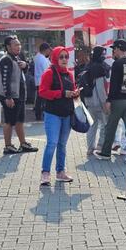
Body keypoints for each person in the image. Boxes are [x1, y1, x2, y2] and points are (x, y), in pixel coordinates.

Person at [37, 46, 78, 185]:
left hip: (67, 113)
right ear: (55, 58)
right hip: (52, 114)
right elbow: (42, 92)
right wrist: (61, 93)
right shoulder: (49, 73)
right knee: (52, 143)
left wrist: (75, 93)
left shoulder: (69, 74)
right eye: (61, 57)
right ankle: (45, 173)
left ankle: (60, 172)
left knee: (62, 144)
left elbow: (72, 89)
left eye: (66, 57)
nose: (64, 59)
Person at [94, 39, 126, 161]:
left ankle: (105, 153)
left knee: (111, 126)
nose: (113, 51)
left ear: (119, 49)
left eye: (114, 49)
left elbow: (113, 84)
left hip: (118, 99)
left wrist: (109, 100)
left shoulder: (117, 64)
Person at [0, 36, 39, 155]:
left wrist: (25, 66)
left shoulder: (16, 58)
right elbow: (5, 80)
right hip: (11, 96)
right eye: (15, 44)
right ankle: (8, 146)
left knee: (20, 120)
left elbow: (23, 72)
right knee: (9, 121)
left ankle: (23, 144)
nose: (19, 47)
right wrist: (8, 97)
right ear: (8, 47)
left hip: (19, 95)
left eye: (19, 44)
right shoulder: (6, 60)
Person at [85, 46, 110, 156]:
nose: (104, 56)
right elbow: (100, 89)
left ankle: (90, 148)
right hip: (99, 102)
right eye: (103, 54)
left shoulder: (88, 66)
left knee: (92, 125)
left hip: (89, 101)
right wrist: (105, 104)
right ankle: (100, 146)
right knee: (105, 125)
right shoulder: (99, 69)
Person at [32, 42, 51, 121]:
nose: (49, 51)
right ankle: (41, 114)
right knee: (43, 100)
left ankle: (38, 114)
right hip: (43, 81)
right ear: (45, 50)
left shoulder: (37, 57)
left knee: (39, 99)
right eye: (49, 50)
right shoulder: (42, 59)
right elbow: (47, 70)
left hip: (38, 81)